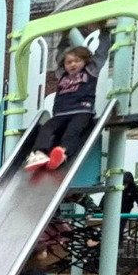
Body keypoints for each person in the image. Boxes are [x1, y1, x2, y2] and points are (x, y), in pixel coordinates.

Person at [25, 28, 112, 171]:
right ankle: (40, 154)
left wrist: (104, 31)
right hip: (61, 113)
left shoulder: (91, 70)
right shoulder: (62, 74)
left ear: (85, 61)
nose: (72, 65)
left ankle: (63, 154)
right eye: (69, 62)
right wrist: (64, 37)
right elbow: (60, 54)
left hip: (82, 110)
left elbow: (101, 52)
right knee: (46, 128)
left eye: (76, 61)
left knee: (73, 131)